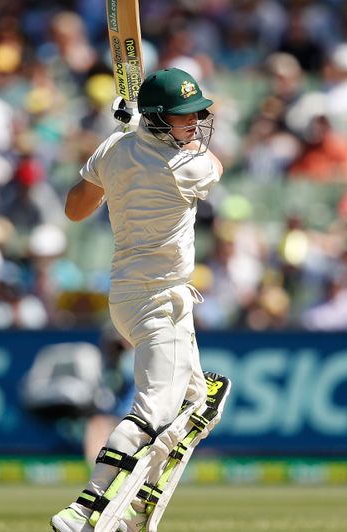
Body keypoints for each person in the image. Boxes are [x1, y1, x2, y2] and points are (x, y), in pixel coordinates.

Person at [51, 68, 231, 532]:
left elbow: (75, 208)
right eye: (183, 116)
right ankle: (86, 507)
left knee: (199, 401)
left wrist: (120, 136)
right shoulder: (185, 167)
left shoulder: (115, 149)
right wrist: (133, 132)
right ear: (156, 118)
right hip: (161, 302)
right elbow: (217, 166)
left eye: (197, 114)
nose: (195, 123)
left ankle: (138, 497)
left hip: (126, 299)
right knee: (155, 410)